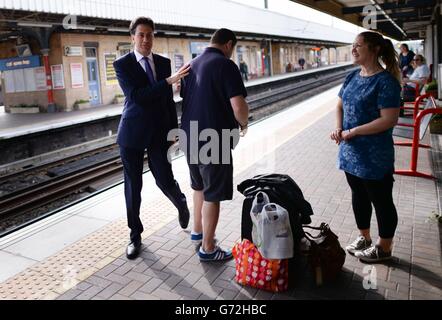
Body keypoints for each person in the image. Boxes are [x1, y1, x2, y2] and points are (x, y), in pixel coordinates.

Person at [113, 17, 191, 260]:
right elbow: (137, 96)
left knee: (164, 179)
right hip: (132, 134)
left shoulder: (164, 62)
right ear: (132, 37)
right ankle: (135, 236)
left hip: (159, 132)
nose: (146, 39)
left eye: (150, 35)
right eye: (141, 35)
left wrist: (173, 132)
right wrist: (168, 81)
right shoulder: (122, 65)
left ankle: (179, 200)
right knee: (133, 187)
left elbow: (167, 101)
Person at [330, 31, 402, 263]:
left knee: (381, 200)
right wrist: (339, 128)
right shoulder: (352, 77)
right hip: (351, 153)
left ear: (375, 49)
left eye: (358, 45)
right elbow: (339, 105)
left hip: (374, 155)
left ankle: (384, 247)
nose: (353, 49)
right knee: (358, 196)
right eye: (353, 45)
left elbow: (388, 120)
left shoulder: (386, 82)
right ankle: (365, 237)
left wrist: (354, 131)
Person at [180, 28, 250, 262]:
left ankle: (198, 232)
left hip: (189, 135)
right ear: (229, 44)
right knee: (213, 194)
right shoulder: (226, 65)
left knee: (198, 186)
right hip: (214, 139)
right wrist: (243, 124)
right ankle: (208, 248)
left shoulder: (193, 63)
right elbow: (238, 106)